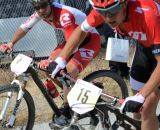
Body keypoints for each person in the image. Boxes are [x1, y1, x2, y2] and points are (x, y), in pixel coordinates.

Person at [47, 0, 160, 130]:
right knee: (137, 107)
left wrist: (142, 96)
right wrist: (61, 59)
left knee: (146, 105)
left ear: (124, 5)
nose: (107, 17)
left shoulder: (149, 15)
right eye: (102, 13)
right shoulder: (105, 9)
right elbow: (81, 30)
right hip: (144, 47)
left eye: (112, 12)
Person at [0, 0, 101, 128]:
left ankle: (67, 112)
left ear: (51, 3)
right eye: (37, 7)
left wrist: (56, 62)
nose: (41, 10)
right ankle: (81, 94)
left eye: (43, 6)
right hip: (72, 41)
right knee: (51, 70)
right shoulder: (40, 13)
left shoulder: (65, 15)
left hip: (89, 40)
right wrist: (11, 43)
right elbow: (24, 27)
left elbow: (73, 45)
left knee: (67, 72)